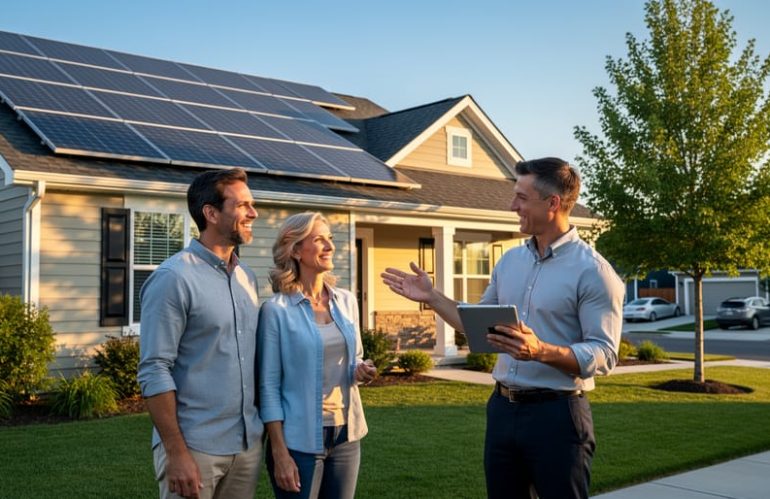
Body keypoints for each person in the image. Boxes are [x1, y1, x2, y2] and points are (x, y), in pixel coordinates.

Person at [381, 157, 624, 499]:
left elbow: (604, 353)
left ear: (553, 203)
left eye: (522, 198)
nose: (513, 206)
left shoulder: (594, 272)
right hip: (502, 410)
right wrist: (432, 297)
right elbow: (479, 325)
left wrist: (540, 350)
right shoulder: (510, 261)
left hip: (557, 415)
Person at [137, 167, 263, 499]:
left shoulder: (246, 277)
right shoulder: (173, 278)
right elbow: (154, 368)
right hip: (195, 447)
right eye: (243, 205)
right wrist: (176, 452)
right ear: (211, 213)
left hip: (246, 446)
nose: (254, 213)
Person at [258, 211, 377, 499]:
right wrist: (279, 452)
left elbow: (356, 357)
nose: (330, 246)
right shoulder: (276, 311)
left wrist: (361, 369)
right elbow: (268, 387)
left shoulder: (347, 301)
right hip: (298, 441)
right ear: (296, 249)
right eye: (319, 240)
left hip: (346, 435)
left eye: (331, 239)